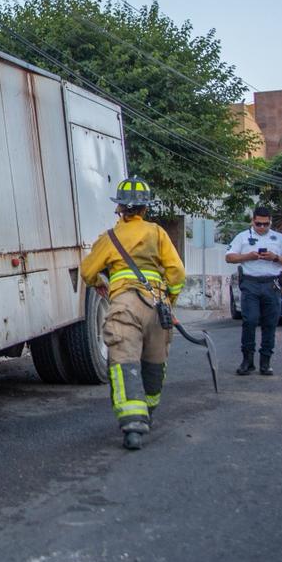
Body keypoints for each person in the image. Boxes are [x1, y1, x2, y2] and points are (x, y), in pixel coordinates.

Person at [79, 177, 186, 450]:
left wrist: (102, 285)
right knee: (154, 364)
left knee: (124, 361)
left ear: (120, 209)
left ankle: (132, 428)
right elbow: (177, 273)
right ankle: (147, 413)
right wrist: (168, 300)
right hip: (157, 305)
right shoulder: (157, 233)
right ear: (145, 209)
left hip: (125, 305)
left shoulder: (109, 238)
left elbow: (88, 271)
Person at [225, 206, 282, 376]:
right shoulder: (242, 237)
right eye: (258, 224)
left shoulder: (279, 238)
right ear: (252, 221)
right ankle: (247, 361)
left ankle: (265, 362)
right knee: (250, 321)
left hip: (272, 284)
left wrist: (275, 257)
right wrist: (248, 256)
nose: (262, 227)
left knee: (270, 323)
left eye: (266, 224)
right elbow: (229, 257)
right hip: (251, 283)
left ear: (270, 222)